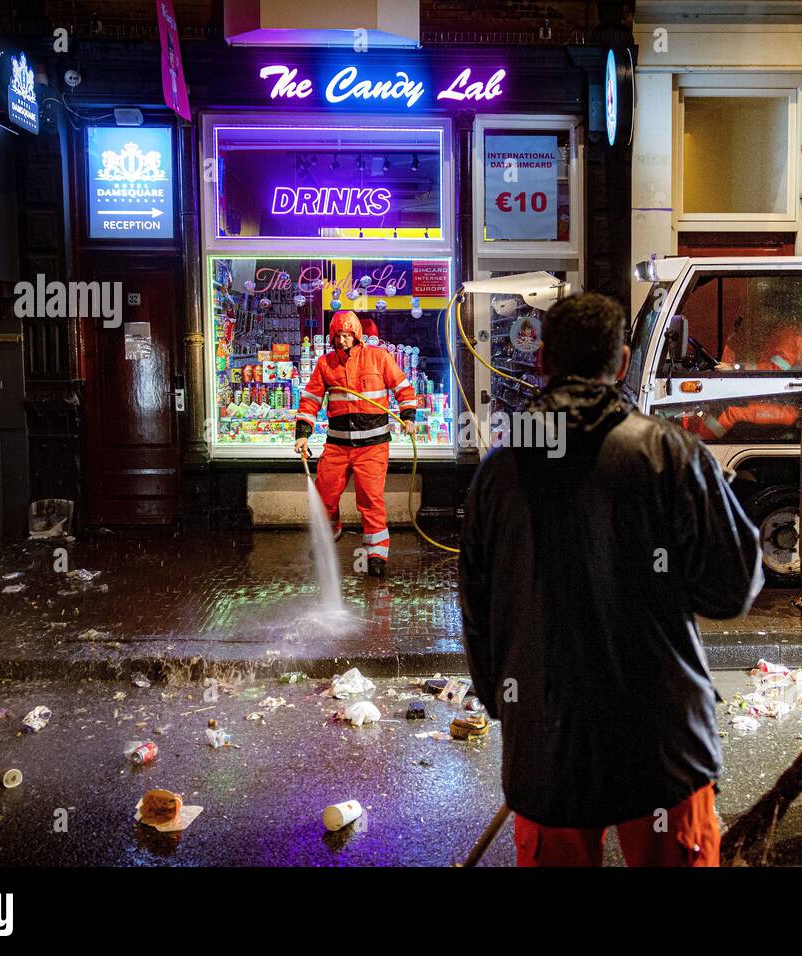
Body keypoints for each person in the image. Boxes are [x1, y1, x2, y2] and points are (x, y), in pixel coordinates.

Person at [459, 292, 764, 867]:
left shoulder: (500, 472)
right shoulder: (670, 454)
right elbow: (732, 588)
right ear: (622, 364)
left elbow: (478, 611)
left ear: (543, 361)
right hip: (663, 744)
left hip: (548, 749)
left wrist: (510, 706)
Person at [294, 310, 418, 577]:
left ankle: (376, 554)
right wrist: (303, 433)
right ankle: (331, 533)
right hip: (338, 445)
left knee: (370, 499)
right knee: (325, 493)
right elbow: (310, 400)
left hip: (372, 446)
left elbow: (403, 388)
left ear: (357, 335)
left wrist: (408, 416)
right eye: (338, 335)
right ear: (332, 336)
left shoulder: (379, 358)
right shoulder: (325, 364)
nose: (342, 340)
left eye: (347, 335)